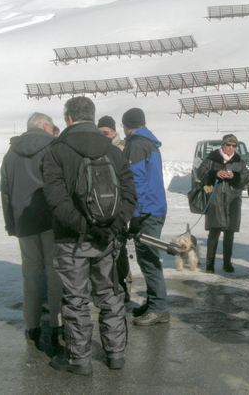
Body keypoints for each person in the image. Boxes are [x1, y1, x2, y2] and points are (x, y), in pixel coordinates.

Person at [43, 97, 137, 374]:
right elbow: (131, 194)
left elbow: (55, 199)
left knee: (76, 300)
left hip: (71, 240)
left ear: (68, 119)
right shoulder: (114, 151)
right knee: (110, 295)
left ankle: (79, 360)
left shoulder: (56, 151)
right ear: (93, 118)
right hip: (107, 239)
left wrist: (83, 227)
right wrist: (113, 225)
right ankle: (116, 354)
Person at [0, 112, 63, 347]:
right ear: (46, 126)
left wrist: (11, 224)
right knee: (54, 272)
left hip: (24, 222)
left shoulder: (11, 152)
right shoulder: (53, 147)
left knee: (30, 275)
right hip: (50, 221)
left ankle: (32, 326)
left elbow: (6, 191)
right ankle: (57, 325)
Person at [121, 107, 169, 326]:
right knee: (147, 258)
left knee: (149, 259)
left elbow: (136, 182)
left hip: (147, 210)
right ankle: (153, 303)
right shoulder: (149, 142)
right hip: (154, 207)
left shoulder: (136, 144)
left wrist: (135, 216)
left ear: (127, 125)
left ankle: (159, 308)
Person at [196, 134, 249, 273]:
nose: (231, 148)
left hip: (233, 200)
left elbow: (247, 177)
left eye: (234, 146)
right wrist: (214, 174)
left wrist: (234, 176)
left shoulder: (239, 161)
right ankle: (210, 263)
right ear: (223, 145)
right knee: (214, 231)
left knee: (229, 232)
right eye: (228, 145)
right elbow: (200, 173)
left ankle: (227, 263)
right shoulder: (211, 159)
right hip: (215, 199)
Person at [97, 115, 131, 301]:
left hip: (118, 208)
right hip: (102, 208)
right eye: (100, 132)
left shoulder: (122, 150)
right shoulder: (97, 149)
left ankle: (123, 286)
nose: (103, 136)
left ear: (114, 132)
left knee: (120, 251)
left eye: (106, 133)